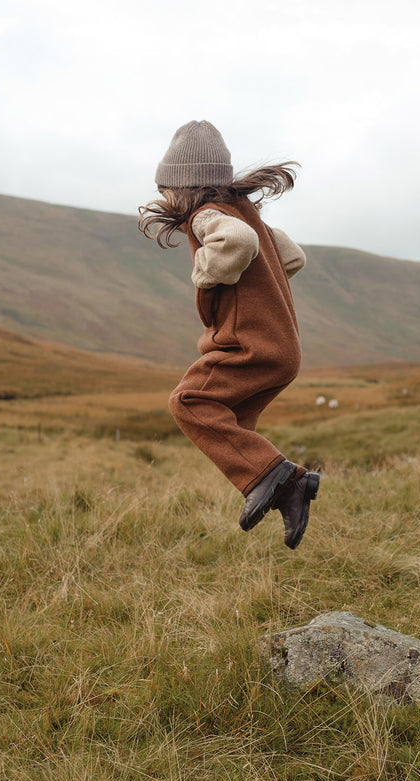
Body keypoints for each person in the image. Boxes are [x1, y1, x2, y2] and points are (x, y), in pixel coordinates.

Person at [138, 120, 319, 549]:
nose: (164, 197)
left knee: (189, 402)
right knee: (234, 425)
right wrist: (260, 285)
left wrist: (205, 273)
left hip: (247, 346)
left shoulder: (207, 216)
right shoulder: (246, 212)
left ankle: (283, 479)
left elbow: (237, 242)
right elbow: (292, 257)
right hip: (283, 350)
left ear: (183, 186)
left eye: (166, 188)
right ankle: (289, 491)